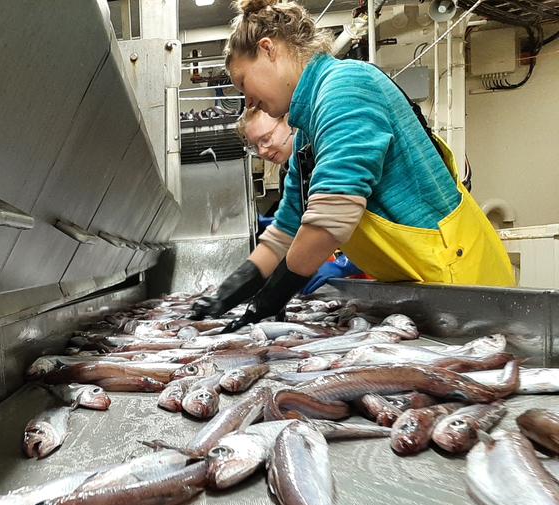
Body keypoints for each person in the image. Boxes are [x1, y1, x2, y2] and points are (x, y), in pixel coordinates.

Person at [191, 0, 515, 327]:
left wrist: (269, 297)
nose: (248, 102)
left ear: (268, 49)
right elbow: (286, 228)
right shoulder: (307, 132)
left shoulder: (345, 87)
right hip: (425, 287)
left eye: (243, 84)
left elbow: (331, 217)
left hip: (464, 284)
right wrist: (229, 291)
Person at [240, 107, 364, 292]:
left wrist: (345, 264)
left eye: (266, 139)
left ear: (288, 121)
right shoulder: (291, 170)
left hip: (376, 271)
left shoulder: (332, 152)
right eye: (255, 146)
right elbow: (297, 224)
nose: (262, 151)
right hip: (334, 276)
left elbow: (358, 213)